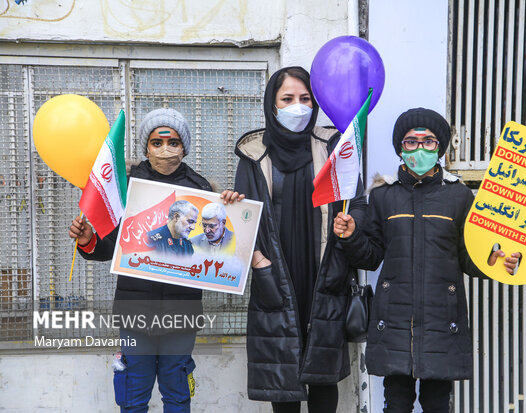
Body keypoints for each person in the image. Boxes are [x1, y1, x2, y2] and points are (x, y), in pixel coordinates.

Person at [333, 108, 521, 413]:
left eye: (429, 141)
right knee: (396, 403)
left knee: (436, 403)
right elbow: (370, 257)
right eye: (411, 142)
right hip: (393, 320)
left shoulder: (459, 196)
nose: (420, 149)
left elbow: (468, 258)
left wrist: (496, 261)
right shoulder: (383, 196)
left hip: (442, 319)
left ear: (441, 148)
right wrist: (352, 235)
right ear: (399, 148)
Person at [69, 107, 243, 413]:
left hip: (182, 312)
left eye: (173, 142)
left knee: (177, 392)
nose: (165, 149)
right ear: (146, 146)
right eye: (157, 142)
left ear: (184, 146)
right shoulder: (126, 184)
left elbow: (213, 248)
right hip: (134, 311)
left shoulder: (201, 189)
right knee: (134, 394)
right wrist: (88, 241)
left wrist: (234, 212)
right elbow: (112, 245)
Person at [233, 66, 364, 413]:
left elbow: (356, 202)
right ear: (272, 105)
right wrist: (259, 262)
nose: (298, 106)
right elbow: (243, 221)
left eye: (305, 99)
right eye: (288, 98)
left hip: (322, 273)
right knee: (282, 382)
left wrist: (351, 228)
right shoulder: (253, 154)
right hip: (275, 275)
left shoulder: (334, 146)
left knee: (323, 377)